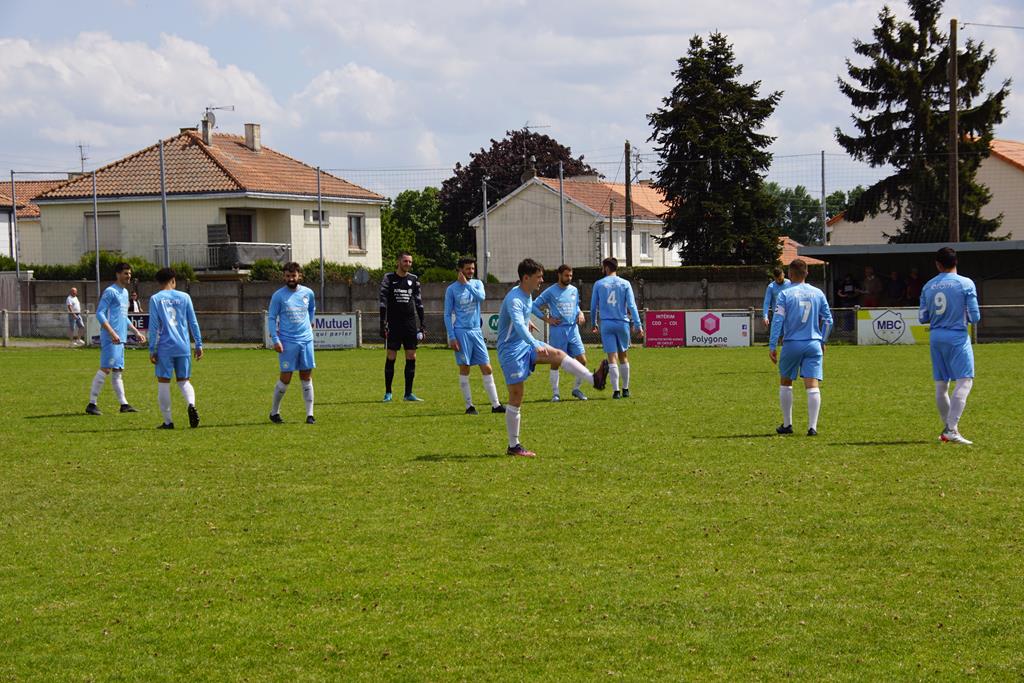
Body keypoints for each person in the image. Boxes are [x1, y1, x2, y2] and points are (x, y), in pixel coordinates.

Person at [498, 258, 609, 456]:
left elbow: (522, 321)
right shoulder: (514, 298)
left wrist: (529, 326)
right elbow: (517, 323)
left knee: (559, 354)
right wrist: (533, 341)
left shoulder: (527, 295)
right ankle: (513, 446)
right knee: (516, 396)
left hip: (524, 344)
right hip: (511, 351)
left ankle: (595, 380)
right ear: (526, 278)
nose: (541, 281)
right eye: (538, 277)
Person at [919, 247, 980, 445]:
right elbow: (974, 316)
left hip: (936, 336)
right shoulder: (965, 283)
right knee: (965, 381)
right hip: (957, 336)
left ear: (938, 264)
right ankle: (951, 429)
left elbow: (923, 317)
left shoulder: (928, 286)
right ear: (956, 262)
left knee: (941, 385)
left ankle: (948, 428)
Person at [769, 258, 833, 436]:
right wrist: (823, 340)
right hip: (813, 344)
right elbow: (828, 320)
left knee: (786, 382)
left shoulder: (785, 294)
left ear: (790, 274)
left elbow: (778, 320)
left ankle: (788, 425)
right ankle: (812, 427)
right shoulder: (818, 293)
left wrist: (772, 345)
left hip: (792, 344)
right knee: (812, 385)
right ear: (807, 273)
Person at [443, 256, 505, 415]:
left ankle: (496, 405)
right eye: (467, 268)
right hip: (461, 333)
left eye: (472, 268)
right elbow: (447, 314)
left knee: (487, 367)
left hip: (476, 332)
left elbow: (481, 297)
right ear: (460, 270)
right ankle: (469, 406)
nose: (471, 271)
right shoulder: (451, 289)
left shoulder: (477, 284)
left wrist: (467, 285)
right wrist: (451, 336)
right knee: (465, 368)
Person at [85, 263, 146, 415]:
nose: (128, 276)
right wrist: (112, 333)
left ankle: (124, 404)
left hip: (121, 338)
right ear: (118, 274)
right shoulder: (110, 292)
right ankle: (92, 404)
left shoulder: (125, 293)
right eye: (126, 273)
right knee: (105, 368)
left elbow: (123, 317)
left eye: (130, 273)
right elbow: (100, 313)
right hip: (111, 338)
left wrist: (135, 332)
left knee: (118, 370)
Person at [148, 267, 203, 429]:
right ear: (173, 280)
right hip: (183, 346)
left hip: (165, 346)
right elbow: (193, 322)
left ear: (159, 282)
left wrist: (152, 349)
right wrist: (198, 344)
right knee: (184, 381)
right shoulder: (185, 297)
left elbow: (154, 326)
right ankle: (191, 404)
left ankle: (168, 421)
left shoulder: (156, 299)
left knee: (163, 382)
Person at [267, 261, 316, 424]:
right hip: (287, 342)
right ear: (284, 276)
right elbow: (272, 318)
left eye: (293, 276)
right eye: (288, 276)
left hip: (306, 341)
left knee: (306, 376)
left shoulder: (308, 293)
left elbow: (311, 309)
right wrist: (276, 339)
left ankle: (310, 415)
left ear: (299, 276)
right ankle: (274, 412)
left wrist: (309, 323)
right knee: (285, 378)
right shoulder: (278, 296)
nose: (291, 279)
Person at [532, 264, 589, 401]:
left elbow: (575, 306)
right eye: (566, 275)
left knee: (583, 360)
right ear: (559, 275)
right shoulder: (551, 291)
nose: (569, 278)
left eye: (570, 276)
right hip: (558, 330)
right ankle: (555, 393)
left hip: (573, 330)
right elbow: (533, 305)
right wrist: (547, 319)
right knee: (555, 362)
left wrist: (580, 313)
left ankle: (576, 389)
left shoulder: (574, 290)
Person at [590, 257, 643, 399]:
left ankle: (616, 391)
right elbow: (632, 305)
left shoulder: (599, 284)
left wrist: (593, 323)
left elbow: (593, 306)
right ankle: (626, 389)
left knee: (611, 357)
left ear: (606, 268)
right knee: (623, 356)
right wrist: (638, 325)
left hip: (607, 324)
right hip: (622, 323)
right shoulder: (625, 284)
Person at [379, 252, 426, 402]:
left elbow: (419, 303)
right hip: (394, 323)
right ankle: (388, 392)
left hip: (410, 324)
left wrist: (422, 324)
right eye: (405, 261)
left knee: (411, 356)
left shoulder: (414, 279)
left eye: (410, 262)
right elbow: (383, 301)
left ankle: (408, 393)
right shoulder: (389, 278)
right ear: (399, 261)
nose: (408, 264)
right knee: (391, 356)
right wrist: (382, 323)